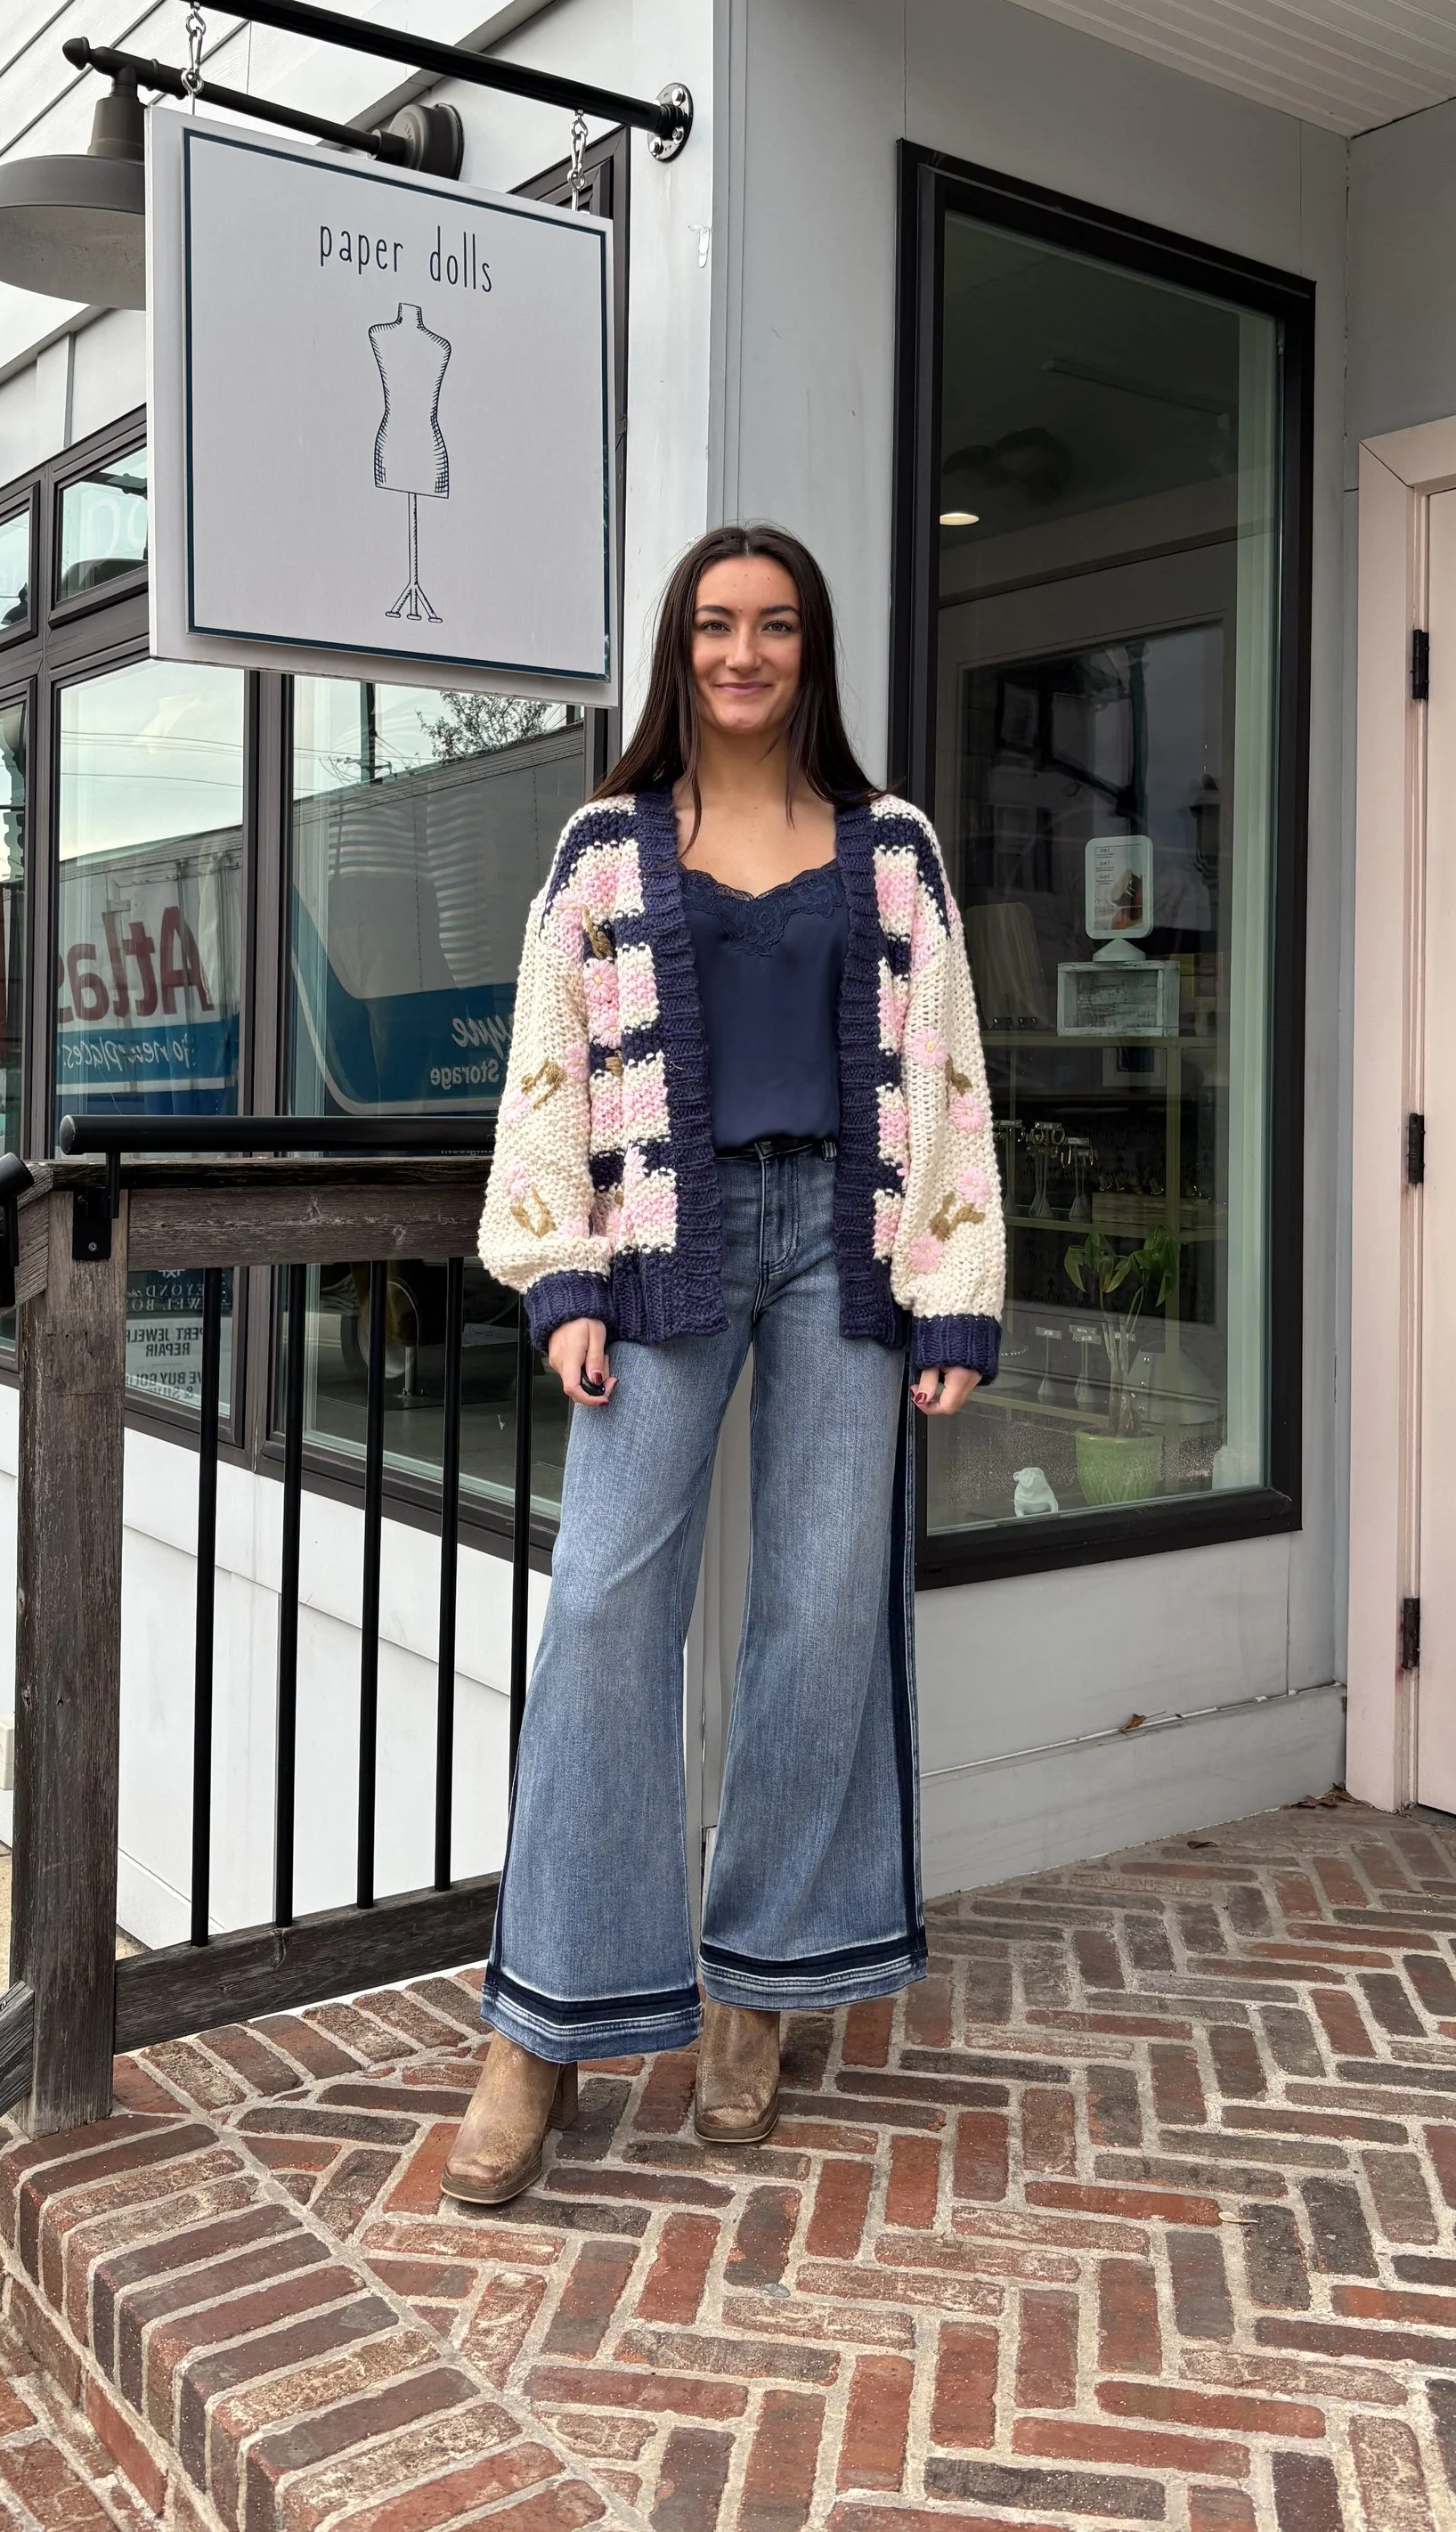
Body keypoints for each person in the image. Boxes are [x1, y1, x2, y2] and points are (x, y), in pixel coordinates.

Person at [445, 522, 1004, 2206]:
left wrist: (954, 1286)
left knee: (823, 1604)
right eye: (713, 627)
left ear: (809, 650)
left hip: (846, 1244)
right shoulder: (607, 849)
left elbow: (951, 1070)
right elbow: (545, 1070)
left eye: (771, 627)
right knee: (611, 1600)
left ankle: (759, 1991)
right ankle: (539, 2023)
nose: (742, 654)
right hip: (661, 1242)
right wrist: (561, 1274)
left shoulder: (891, 849)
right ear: (678, 651)